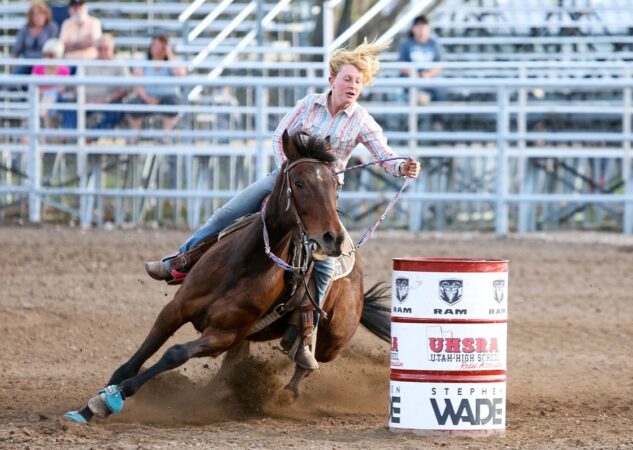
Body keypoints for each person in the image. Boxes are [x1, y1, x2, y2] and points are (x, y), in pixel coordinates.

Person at [144, 40, 421, 369]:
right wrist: (289, 175)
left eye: (359, 82)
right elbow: (280, 135)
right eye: (348, 79)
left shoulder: (361, 120)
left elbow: (384, 154)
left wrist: (401, 167)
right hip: (284, 180)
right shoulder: (308, 104)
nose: (353, 86)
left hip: (320, 197)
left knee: (327, 260)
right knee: (228, 214)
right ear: (332, 80)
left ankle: (307, 332)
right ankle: (180, 260)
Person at [61, 34, 130, 131]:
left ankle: (93, 135)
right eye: (99, 48)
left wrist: (106, 99)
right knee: (69, 105)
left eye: (105, 48)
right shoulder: (86, 64)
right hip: (86, 101)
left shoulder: (119, 65)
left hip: (110, 101)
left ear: (112, 49)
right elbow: (75, 86)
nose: (102, 51)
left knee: (118, 110)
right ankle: (68, 134)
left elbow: (125, 89)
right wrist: (85, 99)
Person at [127, 34, 187, 144]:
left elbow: (181, 74)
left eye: (161, 45)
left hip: (167, 97)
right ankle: (135, 136)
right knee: (133, 103)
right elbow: (137, 83)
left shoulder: (172, 62)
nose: (156, 48)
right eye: (154, 45)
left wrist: (169, 54)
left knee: (173, 103)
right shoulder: (144, 61)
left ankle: (166, 136)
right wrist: (147, 98)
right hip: (146, 97)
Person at [398, 15, 444, 104]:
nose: (421, 29)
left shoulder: (434, 43)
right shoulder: (406, 44)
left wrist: (428, 75)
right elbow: (402, 64)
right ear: (413, 28)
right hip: (411, 76)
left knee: (439, 90)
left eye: (424, 25)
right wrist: (416, 75)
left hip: (430, 77)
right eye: (418, 26)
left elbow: (439, 65)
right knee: (409, 89)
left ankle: (438, 117)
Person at [11, 1, 59, 75]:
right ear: (31, 16)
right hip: (27, 63)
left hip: (45, 65)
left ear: (46, 15)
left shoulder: (52, 27)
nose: (38, 17)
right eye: (35, 15)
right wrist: (13, 69)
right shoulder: (25, 28)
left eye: (41, 14)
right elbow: (16, 51)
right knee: (14, 79)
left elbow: (53, 50)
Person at [32, 38, 71, 128]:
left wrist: (47, 91)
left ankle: (41, 114)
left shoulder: (64, 69)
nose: (47, 57)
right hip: (40, 98)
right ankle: (42, 115)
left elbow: (61, 88)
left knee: (52, 95)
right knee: (50, 101)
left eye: (51, 55)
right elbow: (33, 86)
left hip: (58, 99)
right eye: (45, 54)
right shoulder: (38, 67)